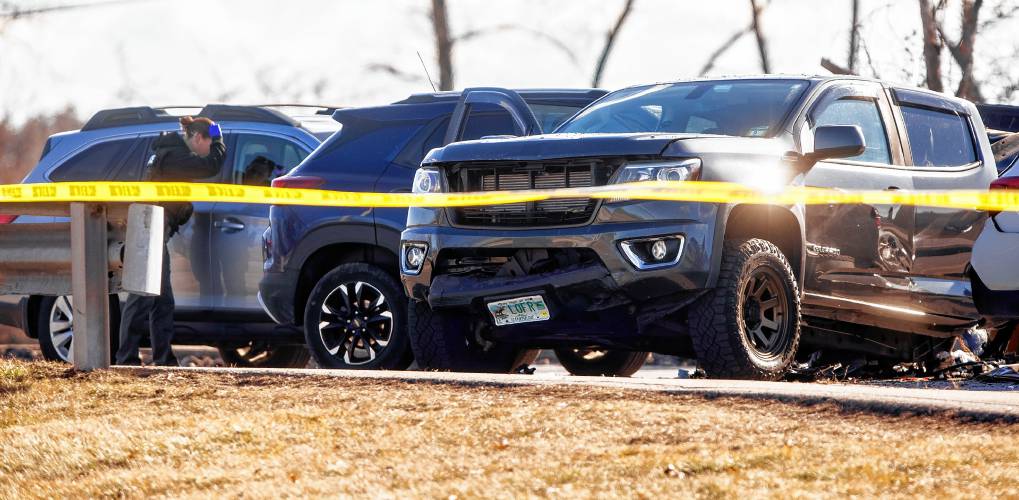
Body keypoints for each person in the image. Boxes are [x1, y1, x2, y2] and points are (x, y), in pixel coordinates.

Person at [115, 116, 226, 366]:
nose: (207, 149)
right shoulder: (175, 157)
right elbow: (212, 165)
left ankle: (163, 358)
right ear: (198, 138)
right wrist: (219, 137)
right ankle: (126, 358)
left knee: (162, 300)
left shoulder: (172, 152)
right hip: (148, 228)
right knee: (143, 296)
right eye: (208, 143)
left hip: (154, 228)